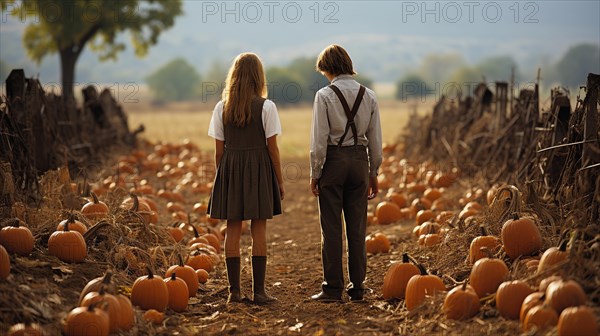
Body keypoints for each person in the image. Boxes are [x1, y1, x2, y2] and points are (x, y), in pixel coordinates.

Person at [207, 52, 285, 304]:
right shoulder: (267, 107)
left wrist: (225, 176)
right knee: (258, 229)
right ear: (257, 77)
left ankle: (234, 293)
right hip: (259, 171)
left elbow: (219, 152)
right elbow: (272, 148)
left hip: (230, 169)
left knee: (232, 229)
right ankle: (259, 292)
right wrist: (279, 180)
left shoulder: (221, 107)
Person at [309, 44, 382, 302]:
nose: (325, 77)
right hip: (360, 162)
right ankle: (358, 287)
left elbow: (319, 140)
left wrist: (315, 172)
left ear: (329, 68)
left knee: (331, 228)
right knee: (357, 227)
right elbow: (375, 139)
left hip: (333, 161)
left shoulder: (324, 96)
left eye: (324, 72)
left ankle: (332, 288)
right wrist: (374, 171)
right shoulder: (369, 95)